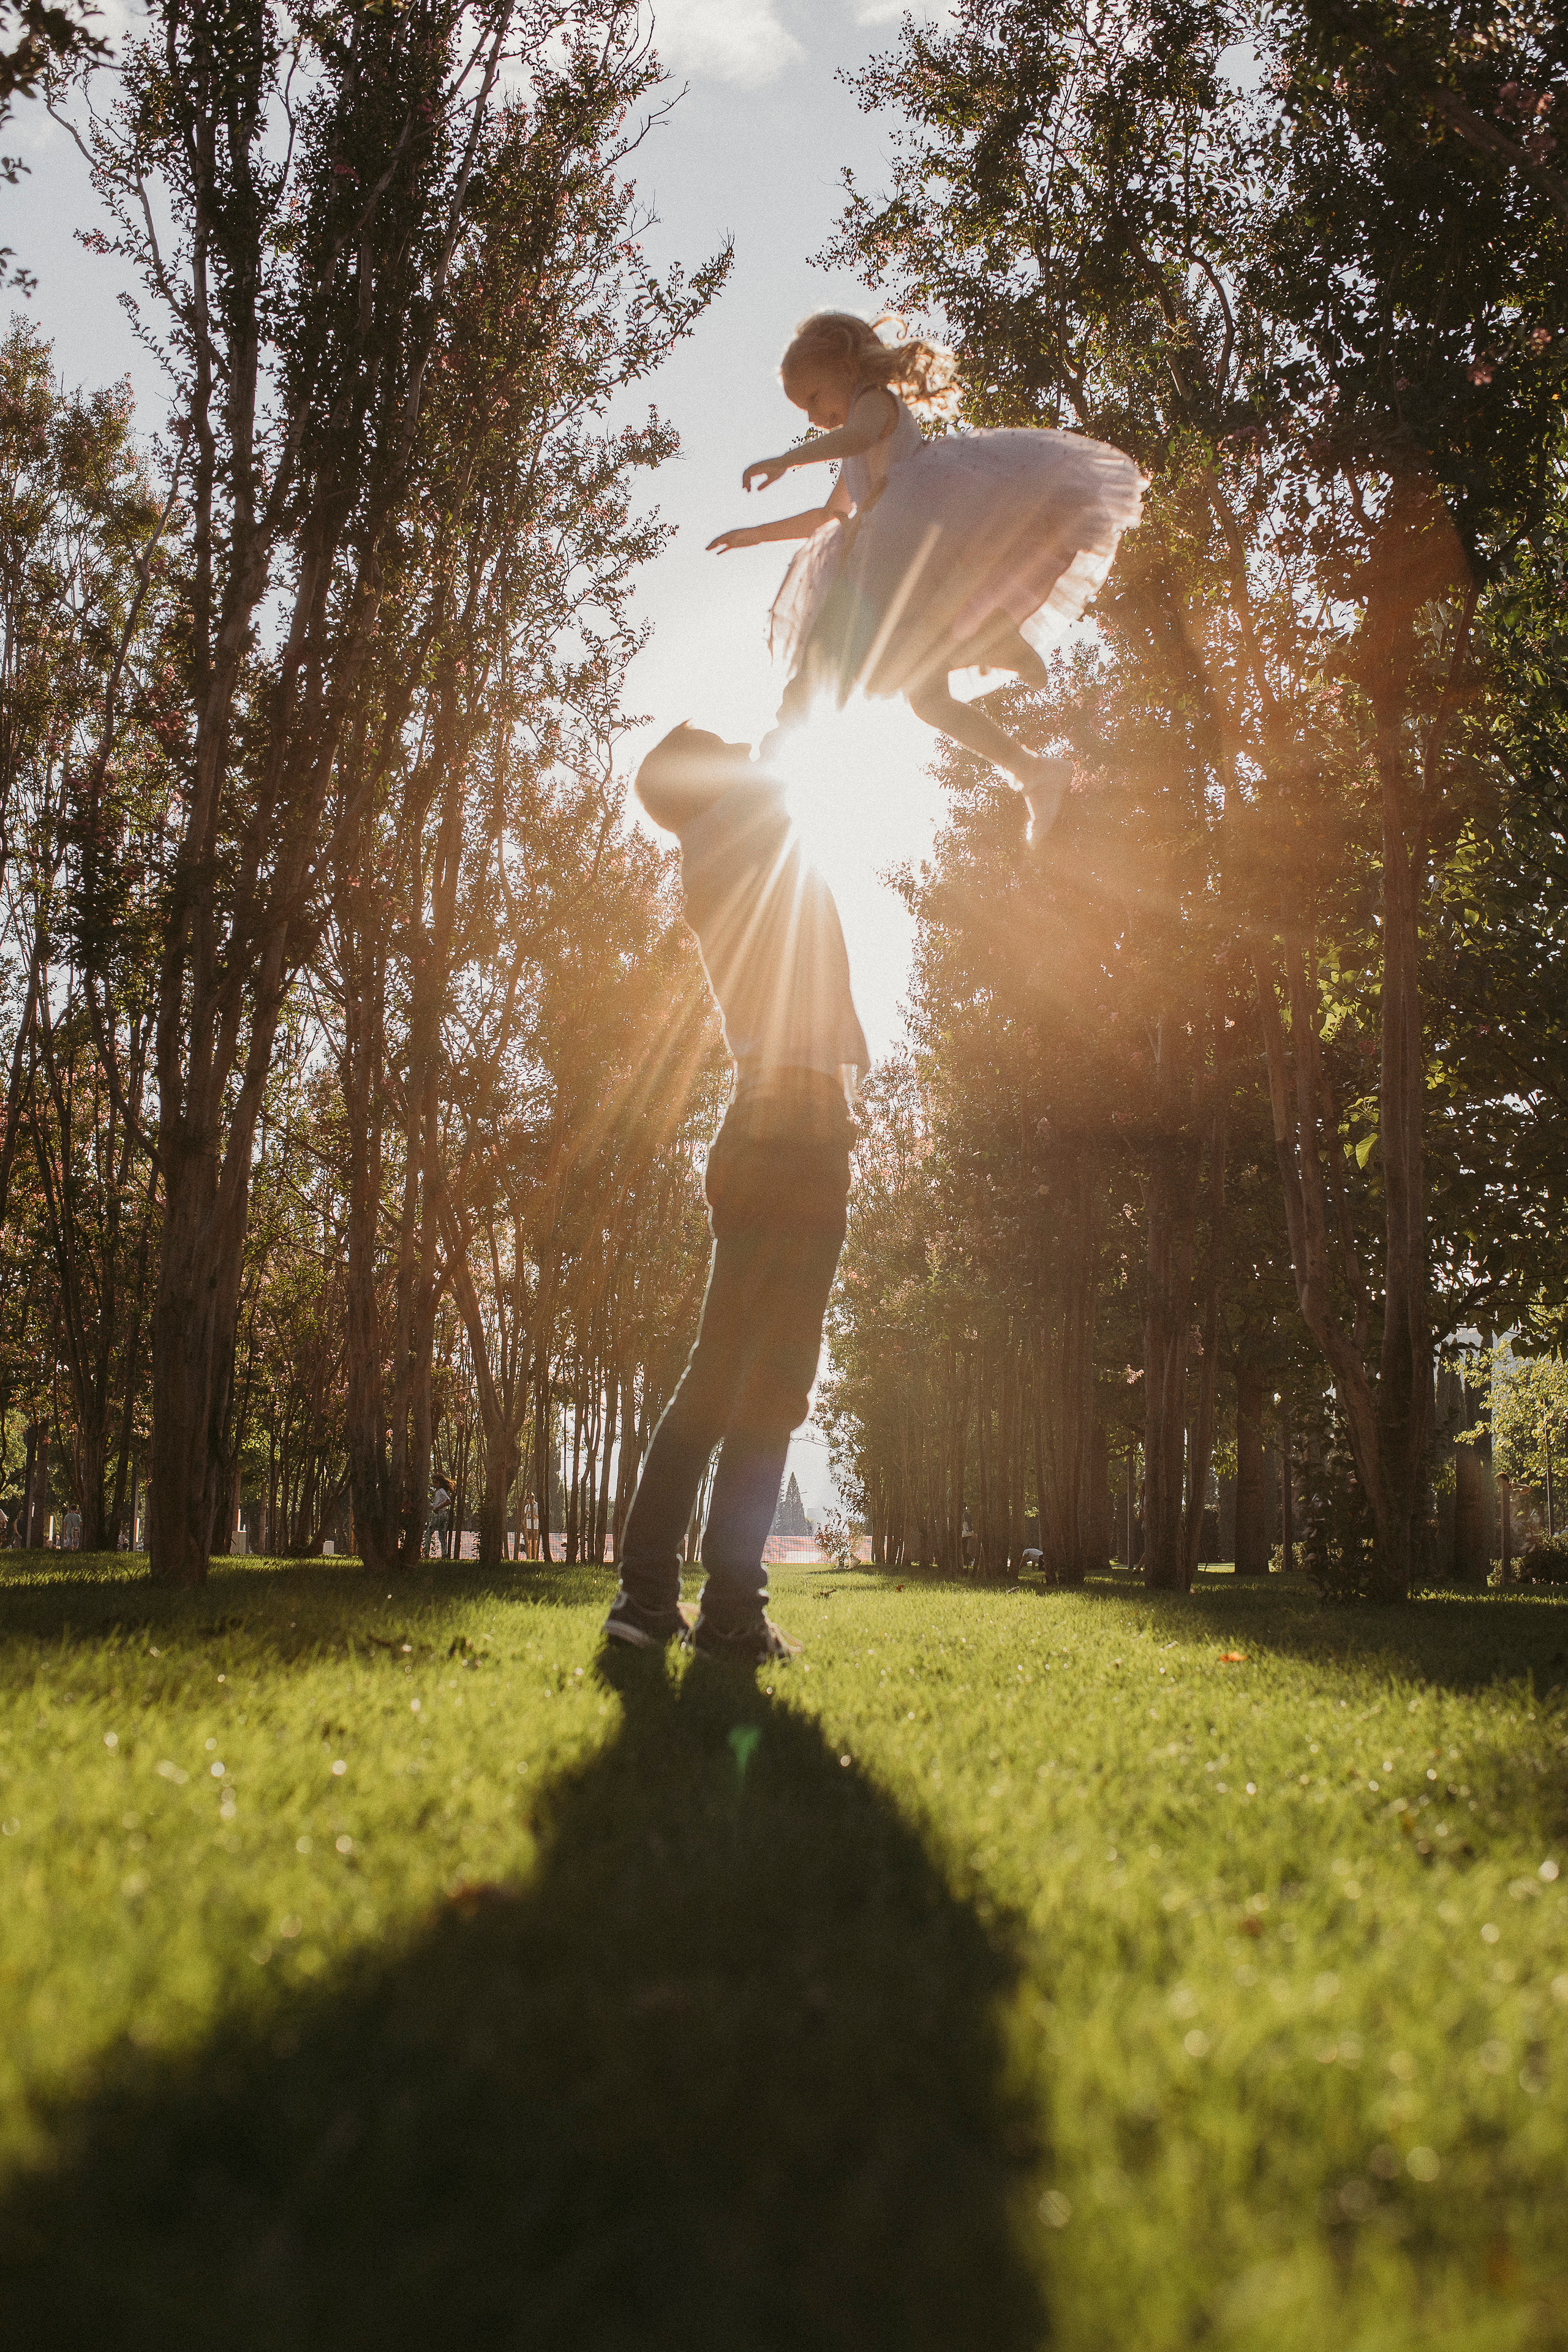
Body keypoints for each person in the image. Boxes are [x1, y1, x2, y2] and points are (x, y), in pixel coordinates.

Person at [603, 724, 867, 1665]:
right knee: (745, 1387)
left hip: (791, 1130)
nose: (740, 748)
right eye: (719, 744)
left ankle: (696, 1610)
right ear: (702, 779)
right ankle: (683, 1607)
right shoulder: (731, 836)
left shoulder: (738, 837)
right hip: (785, 1134)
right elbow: (787, 747)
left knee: (753, 1385)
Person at [708, 311, 1144, 843]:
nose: (815, 416)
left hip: (903, 538)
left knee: (829, 657)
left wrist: (787, 459)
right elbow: (829, 519)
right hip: (886, 547)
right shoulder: (851, 442)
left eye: (815, 397)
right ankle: (1031, 769)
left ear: (846, 367)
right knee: (925, 699)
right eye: (804, 410)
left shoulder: (874, 403)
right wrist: (756, 533)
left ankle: (776, 754)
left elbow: (856, 438)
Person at [426, 1477, 452, 1562]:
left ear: (441, 1483)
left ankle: (426, 1554)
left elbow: (448, 1501)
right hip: (442, 1515)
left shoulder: (441, 1491)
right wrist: (431, 1507)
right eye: (433, 1482)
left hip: (439, 1515)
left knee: (428, 1533)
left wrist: (438, 1508)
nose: (434, 1484)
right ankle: (444, 1555)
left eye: (436, 1482)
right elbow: (436, 1504)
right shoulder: (438, 1492)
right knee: (442, 1535)